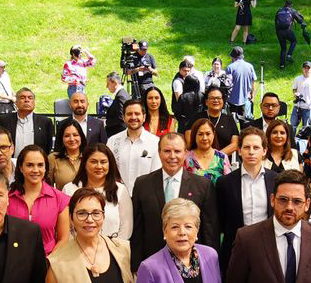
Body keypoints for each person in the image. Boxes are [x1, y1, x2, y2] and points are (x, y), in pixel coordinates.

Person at [213, 129, 277, 283]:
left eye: (256, 148)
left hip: (267, 251)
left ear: (264, 151)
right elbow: (218, 221)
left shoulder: (275, 179)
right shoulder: (225, 183)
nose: (251, 152)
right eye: (246, 148)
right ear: (239, 151)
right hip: (235, 252)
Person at [131, 133, 212, 268]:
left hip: (191, 263)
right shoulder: (142, 184)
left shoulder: (203, 185)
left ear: (186, 153)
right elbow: (137, 229)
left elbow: (209, 230)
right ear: (159, 152)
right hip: (152, 263)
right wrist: (135, 266)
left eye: (177, 151)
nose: (172, 156)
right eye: (167, 151)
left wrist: (208, 265)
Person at [64, 143, 134, 243]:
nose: (99, 166)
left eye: (103, 162)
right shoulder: (69, 189)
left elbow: (126, 227)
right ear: (84, 163)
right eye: (93, 162)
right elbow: (66, 227)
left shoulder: (120, 190)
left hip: (114, 250)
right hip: (77, 250)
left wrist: (112, 248)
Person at [8, 146, 72, 255]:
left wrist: (49, 262)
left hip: (48, 262)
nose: (35, 170)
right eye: (30, 165)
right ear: (21, 167)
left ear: (46, 168)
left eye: (40, 165)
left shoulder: (60, 199)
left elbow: (64, 238)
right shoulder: (7, 198)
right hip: (13, 262)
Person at [107, 99, 162, 192]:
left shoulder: (155, 142)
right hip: (118, 195)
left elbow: (157, 175)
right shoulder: (112, 141)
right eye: (129, 114)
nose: (133, 117)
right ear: (123, 117)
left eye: (137, 113)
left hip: (145, 196)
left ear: (144, 117)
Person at [0, 88, 55, 155]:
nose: (27, 100)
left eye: (30, 98)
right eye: (22, 98)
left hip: (36, 163)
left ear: (34, 102)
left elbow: (48, 147)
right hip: (11, 163)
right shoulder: (4, 120)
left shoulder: (45, 122)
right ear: (16, 102)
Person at [195, 86, 242, 153]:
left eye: (219, 98)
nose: (216, 100)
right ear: (206, 102)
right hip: (201, 159)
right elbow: (189, 140)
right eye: (212, 98)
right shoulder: (198, 118)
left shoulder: (229, 119)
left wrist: (217, 157)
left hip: (223, 160)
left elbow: (235, 143)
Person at [50, 121, 87, 190]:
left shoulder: (89, 157)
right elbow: (47, 187)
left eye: (75, 135)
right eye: (67, 136)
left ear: (81, 137)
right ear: (62, 139)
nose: (72, 139)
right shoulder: (53, 158)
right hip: (62, 200)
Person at [273, 0, 306, 69]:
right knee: (294, 41)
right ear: (291, 5)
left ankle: (282, 66)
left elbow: (275, 22)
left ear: (284, 3)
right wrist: (300, 15)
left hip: (279, 32)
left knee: (283, 48)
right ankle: (289, 55)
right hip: (287, 30)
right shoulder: (292, 11)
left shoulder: (279, 11)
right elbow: (300, 21)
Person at [290, 61, 311, 129]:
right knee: (293, 126)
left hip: (308, 107)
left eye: (308, 68)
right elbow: (294, 89)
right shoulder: (298, 78)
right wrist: (296, 94)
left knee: (306, 127)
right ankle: (292, 139)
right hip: (297, 106)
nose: (306, 70)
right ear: (302, 69)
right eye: (305, 68)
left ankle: (304, 139)